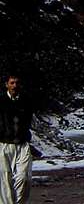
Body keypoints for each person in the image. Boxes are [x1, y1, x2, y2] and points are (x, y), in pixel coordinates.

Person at [0, 72, 32, 204]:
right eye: (12, 83)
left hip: (22, 143)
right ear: (6, 84)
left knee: (24, 178)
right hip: (3, 143)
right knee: (5, 179)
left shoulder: (26, 101)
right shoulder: (0, 101)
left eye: (17, 83)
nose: (14, 86)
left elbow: (28, 121)